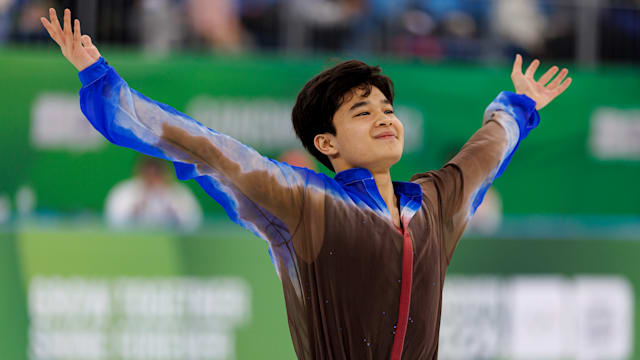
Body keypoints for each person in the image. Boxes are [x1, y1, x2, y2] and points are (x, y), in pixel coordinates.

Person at [41, 8, 571, 359]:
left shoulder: (433, 203)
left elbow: (486, 153)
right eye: (363, 113)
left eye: (387, 108)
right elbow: (205, 148)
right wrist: (103, 82)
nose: (385, 118)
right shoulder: (302, 204)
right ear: (327, 144)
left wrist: (518, 106)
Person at [105, 156, 203, 231]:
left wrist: (169, 204)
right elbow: (114, 222)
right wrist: (140, 203)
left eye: (157, 171)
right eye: (148, 171)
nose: (152, 176)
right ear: (139, 170)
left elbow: (193, 223)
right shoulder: (124, 191)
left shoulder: (179, 193)